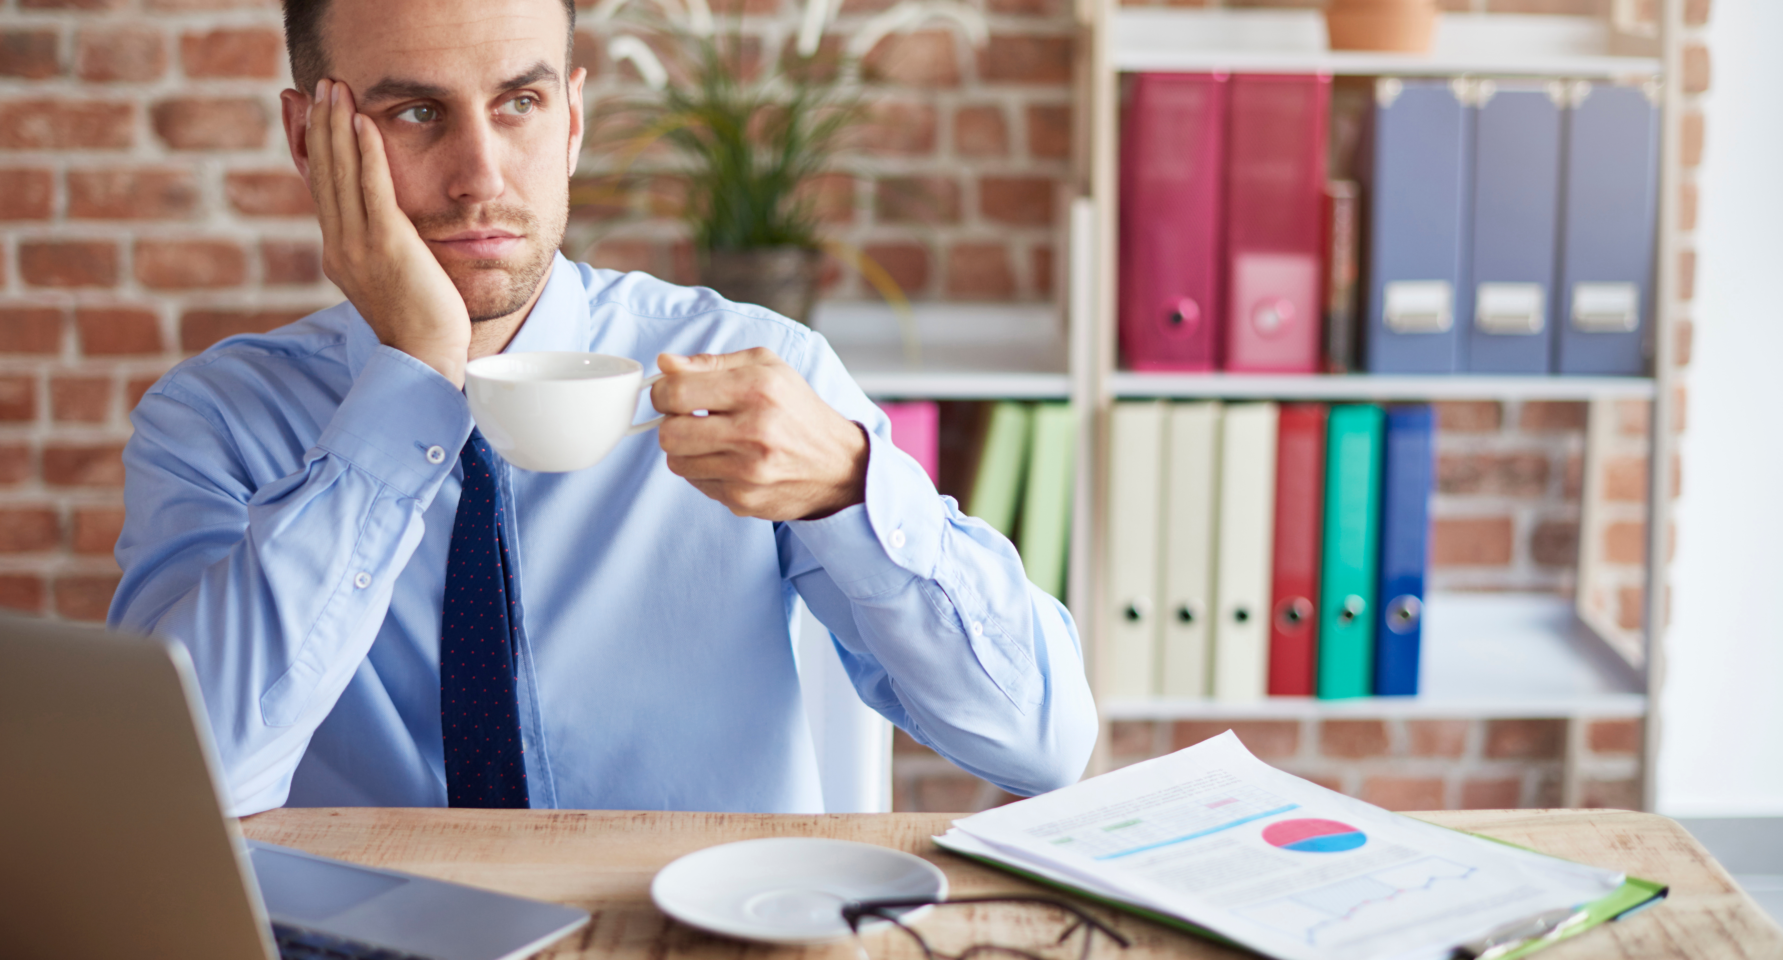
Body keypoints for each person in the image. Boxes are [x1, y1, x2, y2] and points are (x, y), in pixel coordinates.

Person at [110, 0, 1095, 817]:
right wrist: (413, 370)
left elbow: (1041, 742)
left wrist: (850, 489)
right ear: (306, 140)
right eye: (414, 114)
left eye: (521, 103)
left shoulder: (758, 374)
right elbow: (184, 792)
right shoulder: (217, 425)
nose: (481, 176)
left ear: (572, 122)